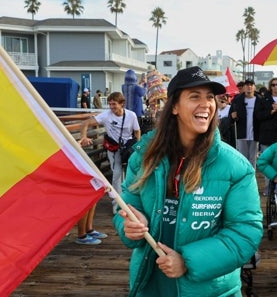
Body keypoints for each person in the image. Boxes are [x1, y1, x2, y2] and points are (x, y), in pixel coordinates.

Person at [112, 66, 263, 297]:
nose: (206, 104)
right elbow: (126, 205)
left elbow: (245, 233)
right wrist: (130, 225)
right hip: (150, 283)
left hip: (209, 288)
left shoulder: (235, 167)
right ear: (174, 106)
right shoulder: (143, 157)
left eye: (210, 97)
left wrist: (188, 262)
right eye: (195, 97)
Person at [79, 91, 141, 202]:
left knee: (130, 172)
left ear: (122, 104)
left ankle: (129, 199)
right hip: (114, 148)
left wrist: (138, 147)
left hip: (128, 148)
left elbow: (137, 131)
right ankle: (117, 201)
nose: (111, 107)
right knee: (117, 173)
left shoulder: (131, 115)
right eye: (110, 104)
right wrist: (84, 137)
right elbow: (85, 123)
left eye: (114, 104)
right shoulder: (106, 115)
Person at [229, 79, 261, 168]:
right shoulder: (237, 100)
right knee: (242, 158)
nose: (249, 87)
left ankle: (251, 178)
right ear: (244, 87)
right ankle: (243, 177)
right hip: (241, 134)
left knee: (253, 158)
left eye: (251, 85)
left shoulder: (260, 100)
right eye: (247, 85)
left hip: (255, 134)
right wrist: (232, 116)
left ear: (254, 87)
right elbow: (230, 118)